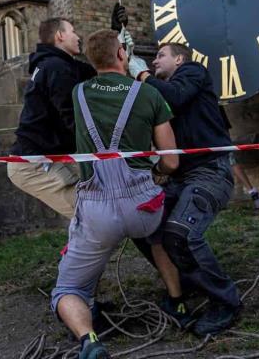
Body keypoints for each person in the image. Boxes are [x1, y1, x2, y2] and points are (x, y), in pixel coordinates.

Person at [50, 29, 180, 359]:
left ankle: (89, 340)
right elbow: (172, 161)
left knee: (68, 289)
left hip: (96, 212)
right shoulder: (149, 95)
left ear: (92, 60)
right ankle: (177, 300)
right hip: (143, 205)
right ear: (123, 55)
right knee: (157, 236)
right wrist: (157, 174)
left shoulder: (78, 94)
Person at [129, 42, 242, 336]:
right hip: (181, 176)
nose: (154, 62)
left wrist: (141, 76)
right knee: (142, 225)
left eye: (160, 56)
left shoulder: (193, 72)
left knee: (181, 232)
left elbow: (177, 98)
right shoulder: (159, 93)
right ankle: (186, 280)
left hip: (210, 171)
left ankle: (225, 301)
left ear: (179, 59)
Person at [7, 17, 96, 218]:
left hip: (49, 156)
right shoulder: (56, 67)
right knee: (91, 216)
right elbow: (71, 114)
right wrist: (102, 147)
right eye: (72, 31)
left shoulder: (58, 64)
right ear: (60, 36)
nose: (78, 37)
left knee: (95, 213)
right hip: (34, 164)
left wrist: (117, 40)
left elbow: (95, 70)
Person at [219, 106, 259, 209]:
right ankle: (254, 195)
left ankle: (254, 194)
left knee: (230, 160)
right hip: (208, 126)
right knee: (227, 161)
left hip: (216, 125)